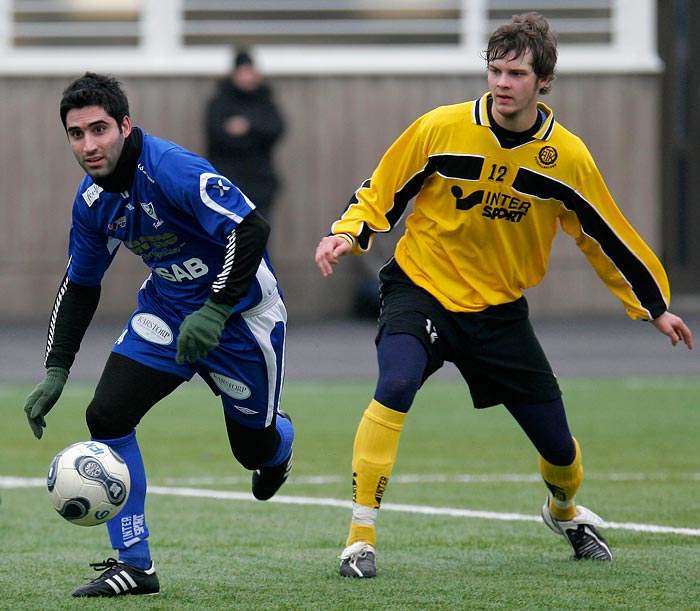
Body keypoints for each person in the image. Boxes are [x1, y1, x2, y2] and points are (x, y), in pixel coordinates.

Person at [315, 13, 693, 578]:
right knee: (394, 384)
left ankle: (563, 511)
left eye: (515, 72)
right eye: (494, 70)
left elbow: (606, 236)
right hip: (420, 288)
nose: (501, 82)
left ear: (544, 82)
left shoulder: (567, 158)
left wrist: (653, 306)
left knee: (560, 449)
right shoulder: (441, 128)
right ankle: (359, 538)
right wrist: (348, 232)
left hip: (498, 312)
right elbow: (382, 189)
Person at [23, 72, 294, 597]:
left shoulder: (173, 170)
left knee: (252, 451)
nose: (88, 145)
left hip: (240, 318)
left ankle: (277, 445)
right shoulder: (92, 202)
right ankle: (136, 564)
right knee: (106, 414)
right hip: (167, 313)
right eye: (76, 134)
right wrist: (56, 368)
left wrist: (215, 310)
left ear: (125, 125)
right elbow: (80, 285)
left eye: (99, 129)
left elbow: (251, 229)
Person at [205, 49, 285, 222]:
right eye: (242, 72)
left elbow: (276, 129)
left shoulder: (264, 101)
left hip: (260, 183)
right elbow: (218, 136)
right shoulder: (220, 102)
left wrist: (247, 126)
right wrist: (254, 135)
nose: (246, 77)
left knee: (260, 233)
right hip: (227, 183)